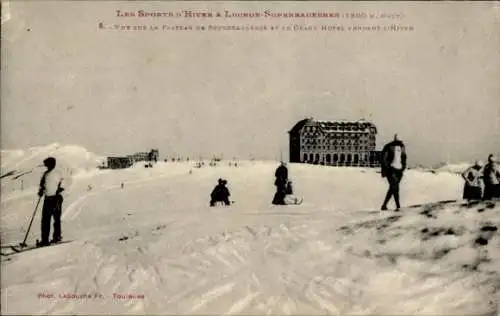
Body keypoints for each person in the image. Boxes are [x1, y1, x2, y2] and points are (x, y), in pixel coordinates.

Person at [38, 157, 65, 246]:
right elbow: (42, 185)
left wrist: (61, 188)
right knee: (45, 219)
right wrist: (41, 190)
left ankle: (56, 237)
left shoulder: (58, 173)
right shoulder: (45, 174)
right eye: (46, 165)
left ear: (52, 164)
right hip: (47, 199)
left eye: (48, 164)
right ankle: (45, 239)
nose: (47, 166)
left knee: (56, 218)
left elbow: (65, 181)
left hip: (56, 198)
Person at [380, 134, 407, 211]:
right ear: (395, 139)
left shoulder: (402, 147)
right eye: (398, 141)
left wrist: (403, 167)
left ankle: (384, 205)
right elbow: (384, 159)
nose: (400, 142)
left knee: (393, 188)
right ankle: (398, 206)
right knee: (395, 187)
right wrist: (388, 168)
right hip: (391, 170)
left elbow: (404, 157)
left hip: (399, 170)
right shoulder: (388, 146)